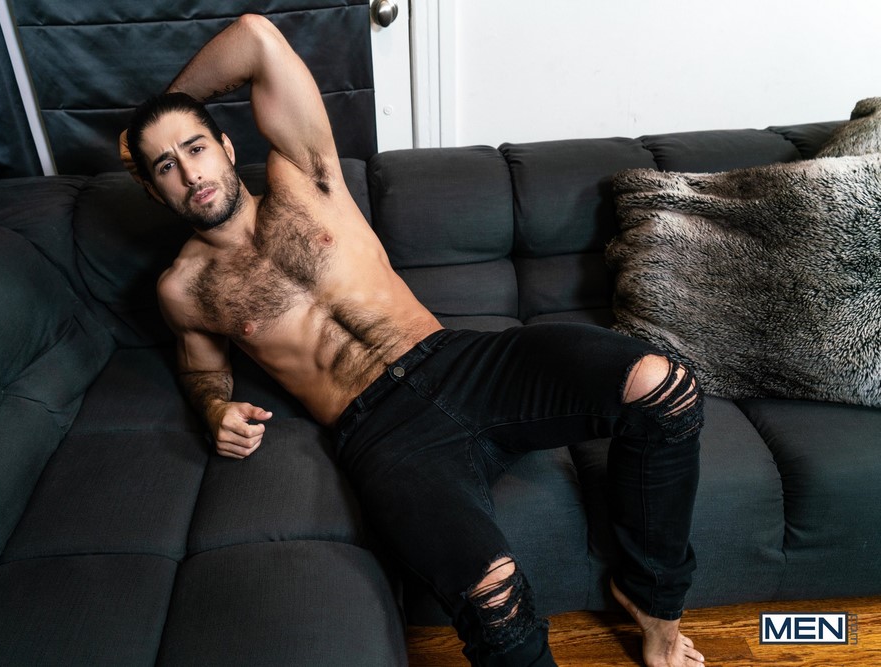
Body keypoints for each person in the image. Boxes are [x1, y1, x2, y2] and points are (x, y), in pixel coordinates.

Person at [121, 14, 705, 667]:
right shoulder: (184, 289)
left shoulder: (304, 178)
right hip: (382, 434)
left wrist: (155, 115)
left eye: (196, 147)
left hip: (458, 361)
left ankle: (651, 600)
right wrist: (214, 410)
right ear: (151, 186)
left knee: (665, 388)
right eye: (165, 165)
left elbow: (256, 37)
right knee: (493, 599)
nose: (189, 172)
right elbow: (201, 370)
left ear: (226, 148)